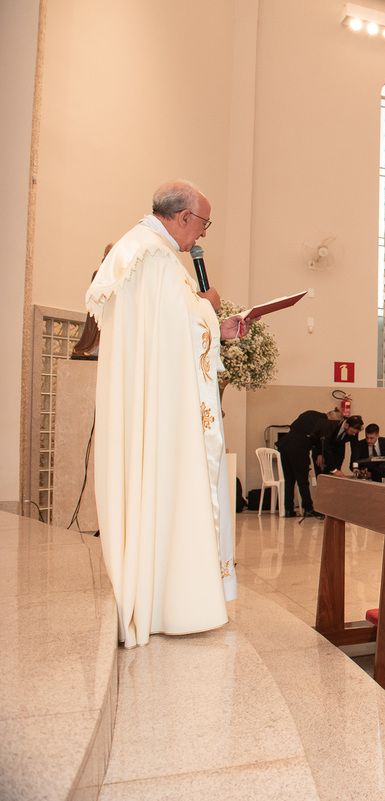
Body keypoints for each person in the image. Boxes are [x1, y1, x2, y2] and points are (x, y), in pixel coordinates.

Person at [87, 180, 251, 647]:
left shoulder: (142, 252)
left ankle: (168, 593)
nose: (202, 235)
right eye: (203, 223)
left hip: (158, 399)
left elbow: (168, 334)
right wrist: (208, 308)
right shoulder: (153, 257)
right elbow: (178, 328)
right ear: (182, 217)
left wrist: (216, 327)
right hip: (162, 414)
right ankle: (166, 600)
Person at [278, 409, 340, 518]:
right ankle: (308, 508)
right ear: (333, 419)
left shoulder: (310, 413)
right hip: (299, 449)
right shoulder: (324, 422)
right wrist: (333, 468)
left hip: (285, 445)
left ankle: (288, 509)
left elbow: (293, 426)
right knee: (302, 480)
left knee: (289, 479)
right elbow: (321, 441)